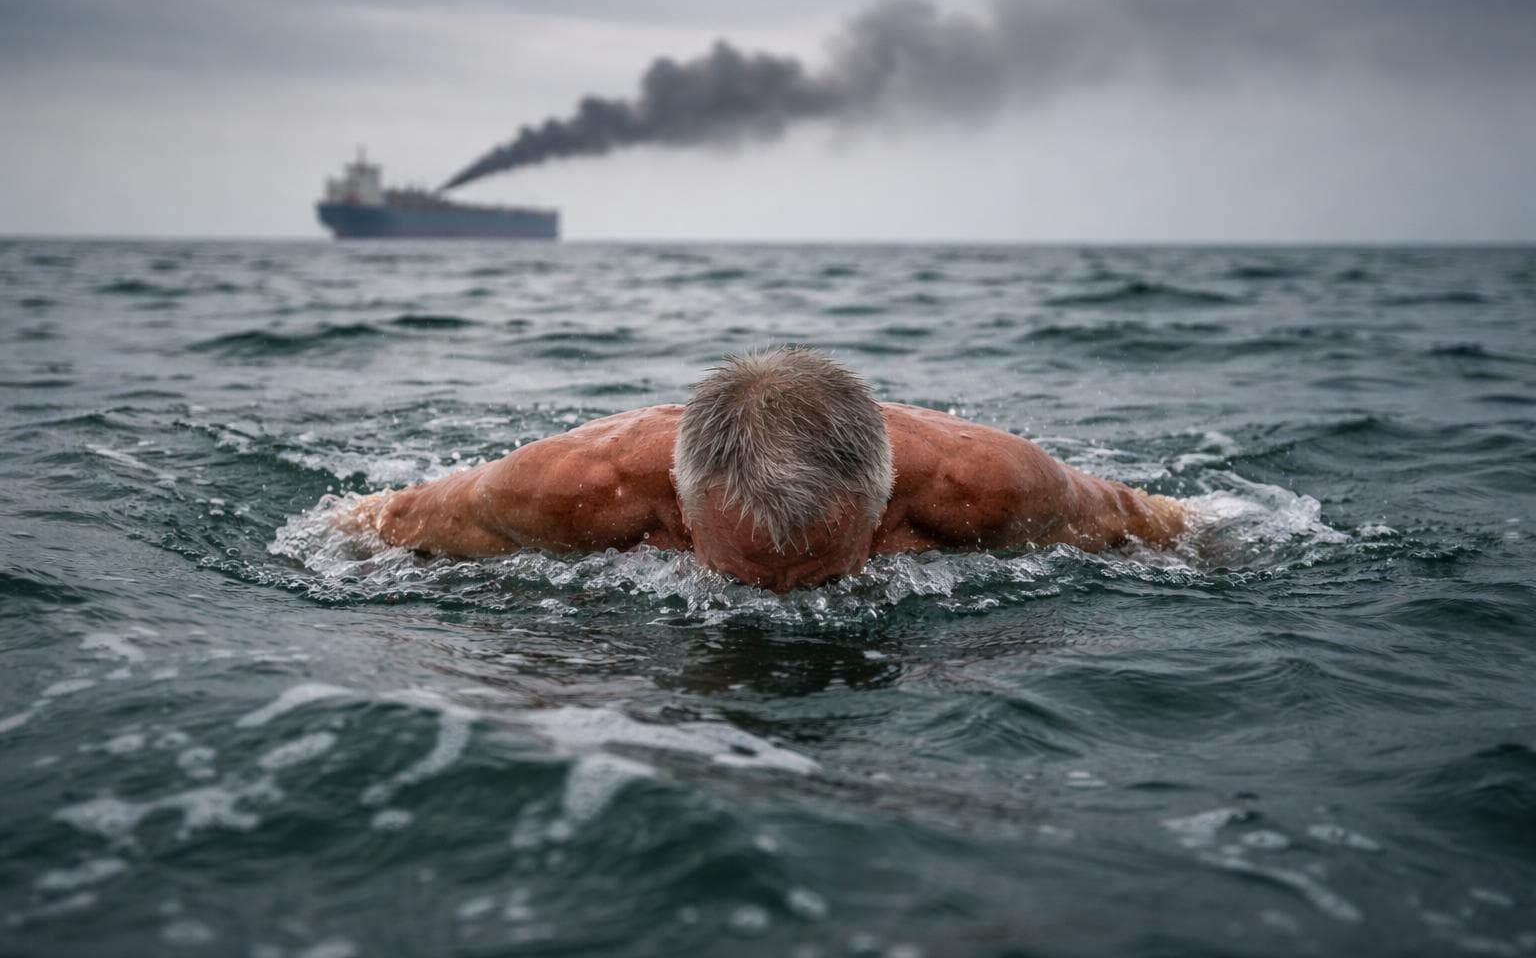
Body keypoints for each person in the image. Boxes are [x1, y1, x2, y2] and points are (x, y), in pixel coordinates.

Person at [343, 346, 1186, 593]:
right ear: (680, 502)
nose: (780, 601)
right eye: (741, 574)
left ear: (883, 502)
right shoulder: (575, 493)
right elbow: (368, 520)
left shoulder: (984, 487)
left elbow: (1172, 524)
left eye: (822, 576)